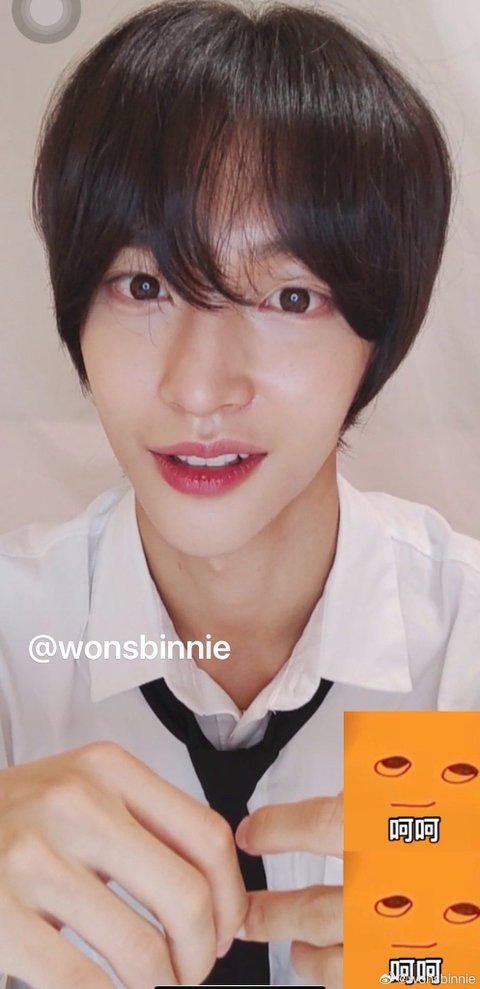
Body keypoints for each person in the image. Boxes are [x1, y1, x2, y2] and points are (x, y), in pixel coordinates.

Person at [0, 0, 479, 986]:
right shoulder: (16, 636)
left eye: (289, 297)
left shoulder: (464, 639)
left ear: (379, 337)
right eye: (143, 286)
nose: (199, 388)